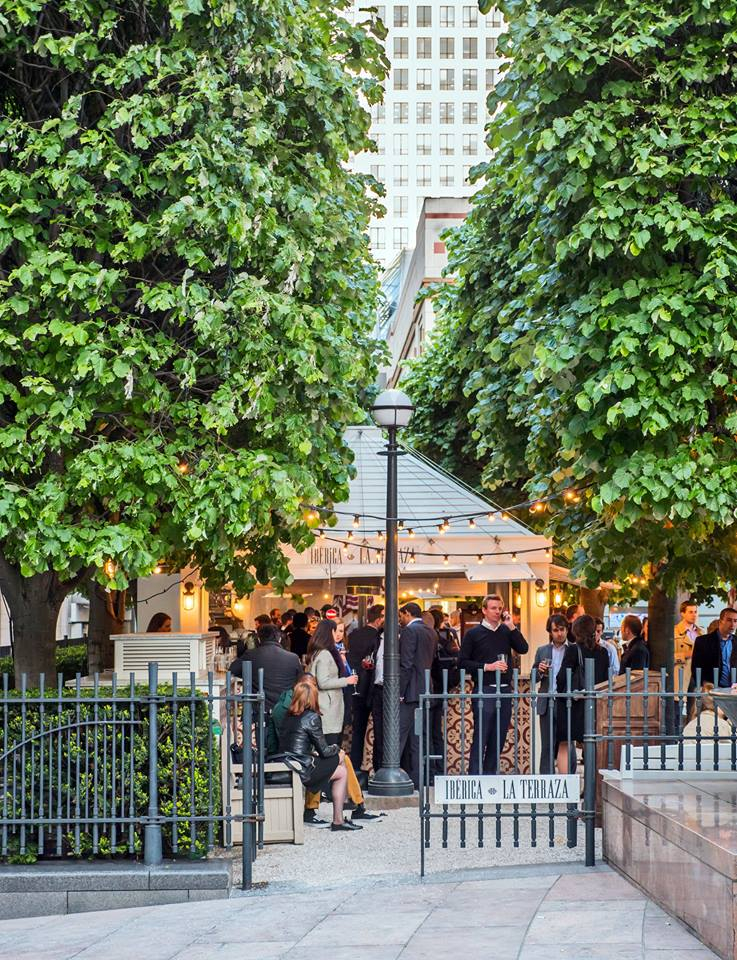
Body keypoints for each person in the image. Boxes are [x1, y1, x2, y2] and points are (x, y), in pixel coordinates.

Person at [269, 674, 380, 825]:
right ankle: (351, 810)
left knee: (338, 762)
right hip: (300, 763)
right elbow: (324, 751)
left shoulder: (287, 712)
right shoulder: (310, 717)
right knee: (341, 759)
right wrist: (336, 748)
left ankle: (345, 808)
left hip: (289, 759)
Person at [459, 594, 528, 775]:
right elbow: (462, 662)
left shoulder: (506, 631)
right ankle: (475, 776)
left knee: (499, 736)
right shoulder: (473, 634)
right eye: (493, 608)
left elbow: (523, 648)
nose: (497, 612)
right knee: (482, 735)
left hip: (505, 689)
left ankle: (490, 776)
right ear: (484, 610)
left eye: (499, 608)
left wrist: (512, 626)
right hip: (484, 689)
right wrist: (487, 667)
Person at [556, 615, 609, 773]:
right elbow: (606, 680)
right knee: (591, 744)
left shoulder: (573, 650)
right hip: (594, 703)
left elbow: (561, 678)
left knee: (565, 743)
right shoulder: (603, 652)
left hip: (573, 704)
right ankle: (591, 787)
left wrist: (563, 692)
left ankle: (566, 787)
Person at [397, 602, 438, 788]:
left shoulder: (409, 631)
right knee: (419, 738)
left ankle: (394, 776)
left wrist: (399, 692)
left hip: (411, 690)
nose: (400, 619)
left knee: (398, 736)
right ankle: (419, 779)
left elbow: (406, 664)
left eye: (401, 615)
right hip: (426, 688)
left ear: (407, 613)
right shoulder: (430, 631)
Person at [346, 604, 384, 771]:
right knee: (379, 729)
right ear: (379, 619)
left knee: (358, 730)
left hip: (355, 685)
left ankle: (355, 767)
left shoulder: (354, 635)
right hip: (372, 687)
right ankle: (376, 766)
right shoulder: (378, 637)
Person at [230, 623, 301, 712]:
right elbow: (300, 681)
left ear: (259, 639)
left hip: (260, 710)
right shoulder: (293, 658)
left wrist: (250, 674)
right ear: (279, 639)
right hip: (285, 709)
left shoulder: (251, 655)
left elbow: (232, 669)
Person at [533, 613, 570, 774]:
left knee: (567, 743)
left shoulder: (573, 650)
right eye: (555, 630)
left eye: (562, 629)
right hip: (547, 702)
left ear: (567, 630)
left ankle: (569, 779)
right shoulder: (542, 651)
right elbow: (533, 678)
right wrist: (539, 671)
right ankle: (546, 780)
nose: (559, 633)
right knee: (547, 745)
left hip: (566, 701)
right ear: (550, 632)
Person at [690, 608, 737, 690]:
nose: (732, 624)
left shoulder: (736, 641)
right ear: (720, 621)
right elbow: (696, 667)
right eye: (729, 620)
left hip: (733, 690)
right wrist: (704, 684)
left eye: (735, 621)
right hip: (711, 689)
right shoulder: (703, 641)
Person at [675, 600, 702, 666]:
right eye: (690, 612)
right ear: (682, 614)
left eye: (695, 612)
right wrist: (686, 655)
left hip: (699, 672)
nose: (694, 615)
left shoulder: (701, 632)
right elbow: (667, 657)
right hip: (682, 672)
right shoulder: (674, 632)